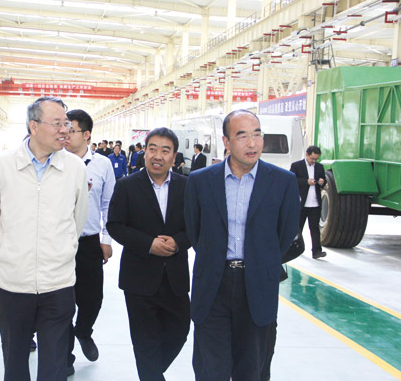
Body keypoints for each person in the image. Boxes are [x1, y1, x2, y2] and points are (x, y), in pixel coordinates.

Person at [184, 110, 300, 381]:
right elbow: (195, 231)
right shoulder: (201, 181)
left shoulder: (282, 182)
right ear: (226, 142)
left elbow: (285, 235)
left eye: (257, 135)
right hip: (213, 285)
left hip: (257, 284)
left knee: (252, 369)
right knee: (210, 370)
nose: (252, 143)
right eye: (242, 136)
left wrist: (261, 260)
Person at [0, 96, 89, 381]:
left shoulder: (75, 168)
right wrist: (11, 253)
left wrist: (63, 251)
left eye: (66, 123)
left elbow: (78, 220)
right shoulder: (1, 166)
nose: (64, 130)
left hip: (58, 283)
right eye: (57, 124)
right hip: (13, 283)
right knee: (15, 362)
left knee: (55, 366)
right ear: (33, 126)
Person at [107, 127, 191, 381]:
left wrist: (178, 242)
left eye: (165, 150)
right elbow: (115, 225)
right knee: (145, 341)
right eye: (152, 149)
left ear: (174, 157)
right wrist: (148, 244)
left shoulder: (187, 187)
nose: (157, 155)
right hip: (139, 278)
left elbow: (197, 226)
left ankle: (151, 373)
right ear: (144, 152)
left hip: (175, 278)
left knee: (179, 331)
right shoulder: (127, 186)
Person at [64, 109, 116, 376]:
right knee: (61, 302)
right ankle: (65, 355)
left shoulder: (102, 165)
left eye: (71, 130)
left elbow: (109, 205)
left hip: (89, 243)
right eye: (64, 129)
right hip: (59, 243)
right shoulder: (55, 160)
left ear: (86, 135)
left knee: (92, 299)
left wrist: (106, 239)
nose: (66, 134)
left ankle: (84, 331)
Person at [290, 145, 327, 259]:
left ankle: (317, 251)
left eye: (316, 159)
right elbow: (292, 180)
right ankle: (294, 249)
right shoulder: (296, 166)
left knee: (314, 228)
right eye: (312, 158)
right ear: (307, 154)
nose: (314, 161)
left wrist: (322, 182)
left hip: (315, 204)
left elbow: (324, 181)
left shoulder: (319, 167)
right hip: (301, 203)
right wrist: (306, 182)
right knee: (298, 228)